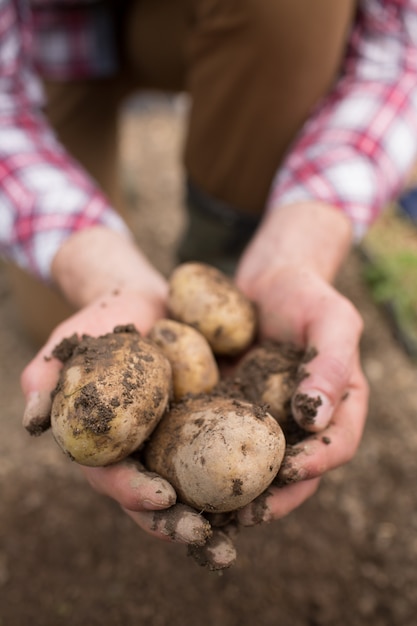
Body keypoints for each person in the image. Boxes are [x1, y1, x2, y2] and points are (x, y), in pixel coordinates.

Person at [1, 0, 415, 566]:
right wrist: (92, 262)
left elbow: (399, 57)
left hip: (214, 21)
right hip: (49, 48)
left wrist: (305, 240)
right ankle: (138, 264)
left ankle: (234, 242)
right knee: (47, 320)